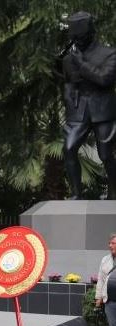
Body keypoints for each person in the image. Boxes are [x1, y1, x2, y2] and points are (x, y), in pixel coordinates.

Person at [60, 12, 116, 199]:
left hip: (103, 110)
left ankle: (114, 192)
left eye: (81, 36)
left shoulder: (109, 53)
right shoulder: (68, 59)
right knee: (68, 149)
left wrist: (82, 64)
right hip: (78, 111)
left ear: (91, 33)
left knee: (106, 156)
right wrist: (69, 99)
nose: (78, 41)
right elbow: (68, 82)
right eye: (75, 37)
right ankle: (76, 194)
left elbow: (104, 79)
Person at [95, 233, 116, 326]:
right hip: (110, 300)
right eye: (110, 243)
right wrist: (98, 298)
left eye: (113, 243)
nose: (110, 246)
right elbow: (101, 280)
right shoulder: (105, 260)